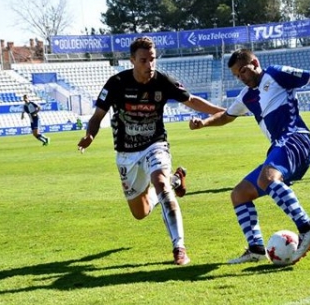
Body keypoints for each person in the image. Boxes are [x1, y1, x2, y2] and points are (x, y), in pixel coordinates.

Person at [189, 49, 310, 265]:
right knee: (239, 194)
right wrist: (204, 123)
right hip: (280, 146)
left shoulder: (275, 73)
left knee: (266, 179)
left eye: (243, 71)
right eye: (237, 75)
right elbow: (226, 116)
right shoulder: (246, 96)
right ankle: (256, 249)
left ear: (255, 62)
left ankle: (308, 228)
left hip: (296, 139)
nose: (241, 77)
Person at [76, 36, 225, 266]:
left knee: (160, 183)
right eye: (144, 60)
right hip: (126, 154)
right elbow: (97, 117)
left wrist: (226, 112)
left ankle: (179, 247)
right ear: (132, 60)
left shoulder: (163, 81)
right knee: (140, 212)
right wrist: (90, 135)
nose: (149, 65)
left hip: (155, 144)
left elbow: (192, 100)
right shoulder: (116, 83)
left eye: (152, 59)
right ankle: (176, 180)